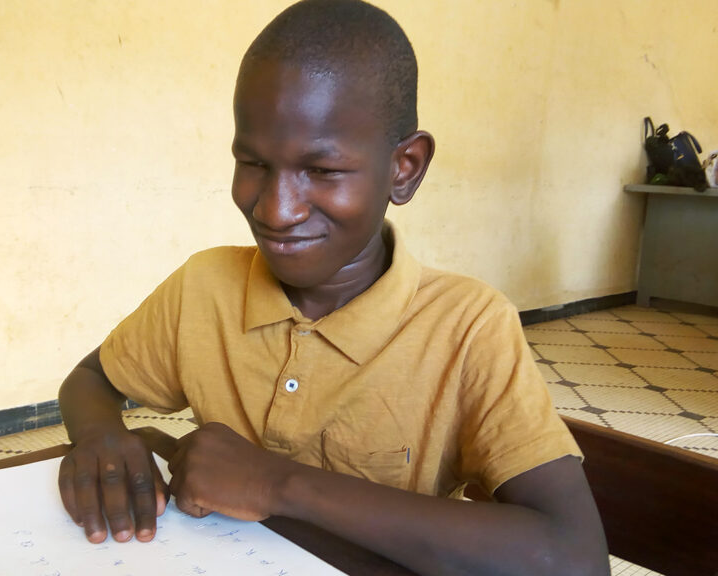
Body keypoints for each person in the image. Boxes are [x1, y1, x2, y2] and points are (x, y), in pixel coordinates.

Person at [56, 1, 609, 574]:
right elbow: (91, 379)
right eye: (253, 163)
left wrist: (277, 484)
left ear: (404, 168)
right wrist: (99, 435)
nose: (276, 210)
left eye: (322, 171)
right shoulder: (204, 286)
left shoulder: (468, 328)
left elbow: (574, 560)